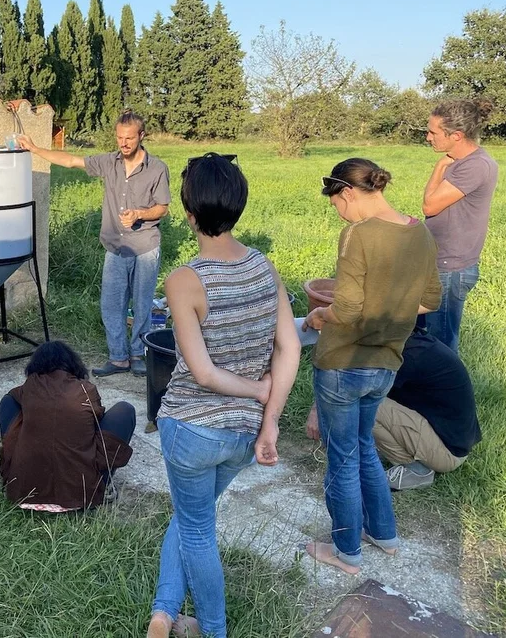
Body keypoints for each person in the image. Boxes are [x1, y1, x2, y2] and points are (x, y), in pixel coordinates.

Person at [147, 154, 300, 638]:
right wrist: (269, 418)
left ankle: (213, 630)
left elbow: (203, 373)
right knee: (191, 516)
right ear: (237, 205)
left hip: (190, 428)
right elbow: (290, 347)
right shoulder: (264, 267)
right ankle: (163, 614)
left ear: (188, 214)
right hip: (241, 435)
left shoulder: (183, 281)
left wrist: (257, 389)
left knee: (196, 528)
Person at [303, 159, 441, 576]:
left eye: (336, 204)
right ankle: (383, 534)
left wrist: (318, 317)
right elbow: (429, 300)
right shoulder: (419, 231)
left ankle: (346, 551)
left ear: (346, 192)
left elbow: (346, 309)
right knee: (363, 447)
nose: (339, 214)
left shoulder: (358, 234)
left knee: (343, 458)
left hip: (344, 364)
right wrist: (389, 313)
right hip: (386, 364)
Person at [18, 110, 170, 378]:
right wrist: (34, 149)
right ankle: (118, 358)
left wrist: (139, 214)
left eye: (129, 138)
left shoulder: (157, 168)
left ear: (142, 136)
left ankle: (138, 355)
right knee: (111, 304)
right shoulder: (108, 162)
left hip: (145, 246)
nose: (123, 143)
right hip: (115, 247)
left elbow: (162, 208)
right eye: (119, 138)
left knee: (142, 304)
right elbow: (70, 161)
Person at [304, 327, 481, 491]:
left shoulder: (407, 356)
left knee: (363, 404)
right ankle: (383, 451)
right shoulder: (407, 340)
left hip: (447, 452)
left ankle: (418, 470)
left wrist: (318, 409)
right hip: (448, 439)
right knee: (368, 399)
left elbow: (351, 388)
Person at [0, 340, 135, 511]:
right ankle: (103, 482)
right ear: (73, 364)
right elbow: (96, 419)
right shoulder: (86, 389)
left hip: (25, 491)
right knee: (124, 410)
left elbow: (12, 398)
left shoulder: (29, 387)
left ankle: (13, 470)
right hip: (82, 492)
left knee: (8, 402)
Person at [421, 98, 499, 352]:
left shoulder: (476, 165)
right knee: (421, 335)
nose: (428, 137)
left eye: (433, 132)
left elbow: (430, 206)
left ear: (456, 135)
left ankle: (446, 379)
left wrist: (439, 167)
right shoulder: (462, 162)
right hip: (439, 261)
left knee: (441, 343)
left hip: (451, 266)